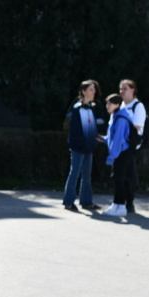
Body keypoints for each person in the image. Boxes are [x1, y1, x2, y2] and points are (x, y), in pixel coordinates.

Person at [62, 79, 102, 212]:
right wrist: (83, 144)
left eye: (94, 89)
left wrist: (94, 142)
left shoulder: (92, 107)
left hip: (88, 147)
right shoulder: (77, 108)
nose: (94, 91)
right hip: (78, 147)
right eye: (91, 89)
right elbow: (75, 132)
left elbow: (92, 128)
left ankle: (86, 202)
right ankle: (68, 202)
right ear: (83, 92)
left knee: (87, 176)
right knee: (75, 173)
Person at [101, 94, 136, 217]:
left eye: (109, 103)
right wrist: (104, 139)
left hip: (122, 153)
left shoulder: (120, 118)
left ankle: (120, 206)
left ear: (117, 104)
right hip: (121, 153)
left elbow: (118, 140)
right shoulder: (116, 116)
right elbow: (113, 137)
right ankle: (116, 205)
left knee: (119, 180)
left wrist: (111, 157)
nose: (107, 106)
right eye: (107, 103)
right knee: (118, 179)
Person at [118, 79, 144, 213]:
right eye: (121, 89)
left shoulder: (138, 106)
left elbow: (137, 126)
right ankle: (119, 202)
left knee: (128, 175)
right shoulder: (120, 106)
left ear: (133, 90)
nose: (122, 91)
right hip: (119, 145)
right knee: (118, 175)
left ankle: (129, 203)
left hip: (129, 146)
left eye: (125, 88)